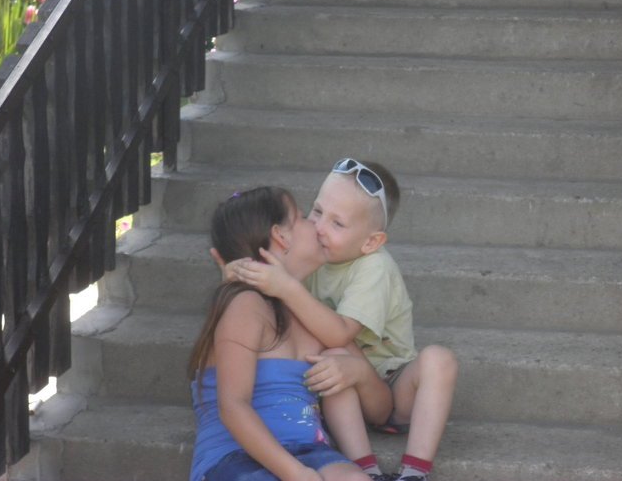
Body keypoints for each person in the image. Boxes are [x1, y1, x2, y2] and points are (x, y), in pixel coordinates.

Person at [227, 159, 459, 481]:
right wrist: (238, 273)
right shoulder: (317, 256)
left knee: (439, 359)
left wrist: (288, 287)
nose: (320, 227)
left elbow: (340, 333)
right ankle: (365, 469)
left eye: (337, 223)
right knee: (333, 360)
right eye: (318, 211)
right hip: (341, 387)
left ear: (370, 243)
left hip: (394, 386)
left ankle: (414, 472)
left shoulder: (374, 267)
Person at [188, 186, 379, 481]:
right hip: (234, 456)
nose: (316, 225)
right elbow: (233, 406)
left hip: (310, 451)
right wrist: (296, 474)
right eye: (303, 217)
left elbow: (383, 410)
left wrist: (360, 373)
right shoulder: (245, 306)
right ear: (281, 236)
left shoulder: (312, 317)